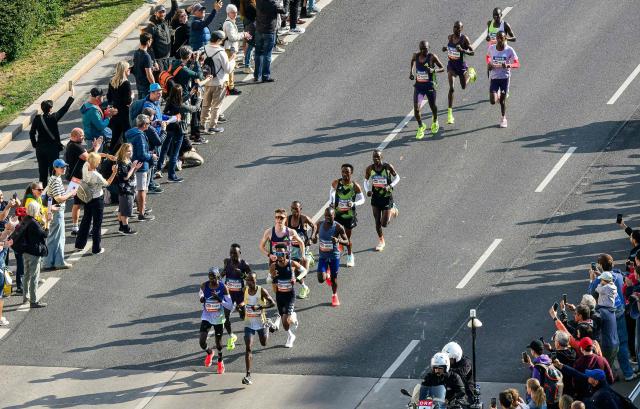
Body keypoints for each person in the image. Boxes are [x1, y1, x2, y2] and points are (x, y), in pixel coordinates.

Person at [64, 129, 112, 236]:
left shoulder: (72, 145)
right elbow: (89, 159)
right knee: (87, 203)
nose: (83, 137)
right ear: (75, 136)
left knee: (77, 203)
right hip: (80, 180)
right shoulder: (76, 146)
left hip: (74, 179)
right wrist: (97, 148)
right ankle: (85, 228)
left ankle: (75, 227)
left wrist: (93, 148)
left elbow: (85, 154)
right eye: (81, 135)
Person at [30, 87, 75, 186]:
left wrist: (35, 144)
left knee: (42, 173)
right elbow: (64, 108)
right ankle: (53, 193)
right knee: (53, 172)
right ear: (50, 108)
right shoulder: (53, 117)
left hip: (40, 149)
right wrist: (72, 95)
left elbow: (31, 133)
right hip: (52, 149)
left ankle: (42, 194)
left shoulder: (37, 119)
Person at [74, 153, 117, 254]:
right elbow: (107, 183)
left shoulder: (85, 166)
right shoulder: (96, 175)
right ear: (96, 164)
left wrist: (106, 155)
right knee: (97, 224)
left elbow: (94, 154)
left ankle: (80, 245)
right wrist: (114, 172)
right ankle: (96, 248)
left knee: (86, 220)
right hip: (97, 199)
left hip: (87, 198)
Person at [269, 244, 306, 348]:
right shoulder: (273, 266)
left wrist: (297, 278)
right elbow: (269, 279)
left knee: (285, 319)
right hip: (279, 295)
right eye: (277, 253)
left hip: (290, 295)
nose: (279, 255)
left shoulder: (292, 264)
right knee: (285, 324)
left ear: (286, 253)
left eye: (281, 253)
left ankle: (292, 316)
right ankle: (290, 335)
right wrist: (272, 276)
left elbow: (304, 271)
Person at [242, 271, 275, 385]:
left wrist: (260, 306)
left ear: (256, 280)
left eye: (252, 280)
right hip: (249, 323)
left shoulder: (261, 291)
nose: (250, 282)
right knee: (248, 347)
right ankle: (248, 375)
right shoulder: (245, 290)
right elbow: (243, 302)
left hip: (261, 322)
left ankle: (268, 324)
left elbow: (272, 303)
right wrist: (240, 307)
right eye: (248, 280)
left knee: (264, 343)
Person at [43, 159, 76, 270]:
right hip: (57, 212)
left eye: (65, 167)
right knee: (58, 238)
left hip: (54, 211)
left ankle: (51, 262)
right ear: (55, 168)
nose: (64, 169)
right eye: (61, 167)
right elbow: (59, 198)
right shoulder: (56, 180)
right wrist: (71, 193)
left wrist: (66, 191)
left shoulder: (54, 178)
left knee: (54, 237)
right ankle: (57, 262)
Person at [199, 267, 233, 374]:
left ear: (218, 277)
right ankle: (209, 353)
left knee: (218, 343)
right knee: (202, 341)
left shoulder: (224, 288)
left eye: (213, 277)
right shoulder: (204, 285)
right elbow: (200, 293)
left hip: (219, 318)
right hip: (207, 316)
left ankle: (220, 361)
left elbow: (230, 305)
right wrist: (201, 298)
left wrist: (219, 299)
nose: (211, 280)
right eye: (209, 277)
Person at [364, 150, 399, 252]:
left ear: (381, 158)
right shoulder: (370, 168)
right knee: (377, 222)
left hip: (387, 197)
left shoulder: (387, 167)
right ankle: (381, 241)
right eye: (374, 157)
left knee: (384, 224)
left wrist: (390, 186)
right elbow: (365, 181)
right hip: (375, 198)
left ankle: (393, 210)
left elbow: (397, 177)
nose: (376, 159)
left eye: (378, 157)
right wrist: (367, 191)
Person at [312, 207, 348, 306]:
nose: (328, 218)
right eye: (326, 216)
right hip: (323, 256)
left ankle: (334, 295)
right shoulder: (319, 225)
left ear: (334, 216)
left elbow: (347, 242)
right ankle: (326, 274)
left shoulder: (338, 227)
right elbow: (314, 240)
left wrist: (338, 241)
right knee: (320, 279)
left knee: (334, 279)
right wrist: (314, 237)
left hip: (334, 256)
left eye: (330, 216)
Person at [330, 164, 364, 267]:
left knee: (347, 238)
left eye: (347, 172)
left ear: (351, 173)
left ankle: (350, 255)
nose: (344, 174)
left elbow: (362, 200)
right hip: (338, 214)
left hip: (349, 216)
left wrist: (354, 204)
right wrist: (331, 202)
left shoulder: (355, 186)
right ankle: (336, 252)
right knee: (335, 235)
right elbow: (331, 191)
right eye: (343, 171)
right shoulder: (336, 182)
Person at [201, 31, 235, 134]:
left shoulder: (204, 48)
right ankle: (212, 126)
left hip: (207, 81)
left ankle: (202, 124)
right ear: (219, 40)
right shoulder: (221, 52)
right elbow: (228, 69)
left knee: (205, 104)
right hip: (219, 82)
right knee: (216, 105)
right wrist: (232, 60)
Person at [443, 21, 476, 125]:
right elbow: (450, 48)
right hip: (451, 66)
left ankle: (470, 75)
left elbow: (472, 52)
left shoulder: (464, 39)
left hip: (461, 66)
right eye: (455, 27)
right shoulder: (450, 37)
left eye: (458, 28)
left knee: (463, 86)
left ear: (462, 29)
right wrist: (446, 48)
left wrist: (462, 50)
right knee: (451, 88)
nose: (456, 29)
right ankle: (449, 115)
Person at [126, 114, 158, 222]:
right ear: (144, 125)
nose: (149, 125)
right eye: (148, 123)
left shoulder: (130, 133)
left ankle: (137, 208)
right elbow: (142, 154)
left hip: (132, 164)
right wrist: (151, 155)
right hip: (141, 165)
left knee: (135, 189)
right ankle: (141, 213)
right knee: (142, 190)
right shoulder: (140, 136)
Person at [410, 40, 444, 138]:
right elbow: (412, 62)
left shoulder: (432, 57)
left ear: (429, 48)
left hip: (430, 87)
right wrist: (411, 72)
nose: (423, 51)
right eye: (422, 49)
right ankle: (421, 126)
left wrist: (433, 70)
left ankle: (435, 121)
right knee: (416, 109)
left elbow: (442, 68)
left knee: (432, 106)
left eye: (425, 49)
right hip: (419, 87)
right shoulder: (415, 56)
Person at [21, 201, 52, 308]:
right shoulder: (34, 223)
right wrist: (47, 223)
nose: (40, 211)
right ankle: (33, 301)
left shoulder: (25, 220)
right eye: (39, 209)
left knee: (26, 275)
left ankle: (26, 297)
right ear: (35, 210)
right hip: (34, 253)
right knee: (34, 276)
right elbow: (45, 234)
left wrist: (42, 221)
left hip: (25, 252)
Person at [221, 243, 251, 351]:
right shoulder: (227, 261)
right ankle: (231, 336)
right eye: (231, 253)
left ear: (240, 253)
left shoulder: (244, 264)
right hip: (228, 294)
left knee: (243, 316)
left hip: (240, 295)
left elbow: (251, 279)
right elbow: (222, 274)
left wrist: (242, 275)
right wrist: (221, 274)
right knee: (225, 317)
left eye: (235, 253)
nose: (233, 255)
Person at [259, 208, 306, 275]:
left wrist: (303, 255)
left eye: (281, 218)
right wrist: (269, 255)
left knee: (290, 279)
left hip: (287, 260)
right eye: (277, 217)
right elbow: (261, 246)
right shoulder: (269, 232)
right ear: (275, 218)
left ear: (285, 219)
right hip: (274, 261)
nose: (279, 220)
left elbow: (301, 243)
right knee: (272, 281)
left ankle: (301, 283)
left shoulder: (291, 232)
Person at [487, 31, 520, 128]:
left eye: (501, 38)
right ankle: (497, 95)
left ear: (505, 39)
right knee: (492, 101)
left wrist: (508, 65)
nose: (499, 40)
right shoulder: (492, 48)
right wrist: (489, 64)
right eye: (498, 38)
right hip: (494, 77)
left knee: (502, 101)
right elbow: (488, 56)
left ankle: (503, 118)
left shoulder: (509, 50)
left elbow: (517, 63)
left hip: (504, 78)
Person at [552, 364, 623, 409]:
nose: (587, 376)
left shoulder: (603, 394)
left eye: (590, 376)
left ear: (595, 381)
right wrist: (561, 365)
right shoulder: (594, 382)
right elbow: (576, 374)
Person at [160, 84, 191, 183]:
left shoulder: (169, 101)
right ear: (179, 94)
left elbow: (180, 101)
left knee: (164, 150)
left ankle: (157, 169)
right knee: (175, 154)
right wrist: (198, 99)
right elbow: (193, 108)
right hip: (178, 130)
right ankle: (171, 175)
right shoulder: (180, 106)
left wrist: (190, 94)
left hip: (168, 129)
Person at [287, 200, 315, 298]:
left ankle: (309, 257)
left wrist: (311, 238)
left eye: (296, 209)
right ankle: (304, 287)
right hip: (293, 250)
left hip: (303, 249)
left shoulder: (304, 218)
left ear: (300, 209)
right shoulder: (288, 219)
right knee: (295, 272)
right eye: (292, 208)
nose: (294, 210)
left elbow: (314, 226)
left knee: (303, 274)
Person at [254, 0, 286, 82]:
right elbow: (283, 10)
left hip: (259, 30)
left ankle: (257, 75)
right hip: (269, 31)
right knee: (267, 54)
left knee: (258, 53)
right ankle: (265, 76)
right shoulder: (273, 3)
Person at [107, 61, 133, 154]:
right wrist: (132, 96)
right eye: (128, 68)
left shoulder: (112, 81)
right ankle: (125, 155)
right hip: (124, 113)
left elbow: (109, 98)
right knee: (127, 136)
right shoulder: (126, 84)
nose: (130, 70)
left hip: (115, 112)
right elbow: (128, 101)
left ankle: (111, 156)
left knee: (115, 137)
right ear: (125, 70)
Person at [115, 143, 141, 235]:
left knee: (121, 209)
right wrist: (133, 167)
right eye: (128, 151)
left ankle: (121, 227)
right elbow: (125, 177)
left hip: (129, 188)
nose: (131, 153)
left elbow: (130, 175)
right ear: (123, 151)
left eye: (131, 150)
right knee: (125, 211)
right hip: (126, 190)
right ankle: (126, 228)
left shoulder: (127, 160)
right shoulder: (121, 162)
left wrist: (135, 169)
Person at [223, 4, 249, 95]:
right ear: (228, 13)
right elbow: (233, 38)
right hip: (229, 49)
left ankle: (229, 87)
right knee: (230, 69)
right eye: (232, 12)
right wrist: (243, 34)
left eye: (236, 12)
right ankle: (230, 88)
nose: (235, 14)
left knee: (231, 68)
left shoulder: (230, 22)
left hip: (231, 49)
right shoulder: (229, 24)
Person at [145, 2, 178, 71]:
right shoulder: (151, 27)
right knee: (162, 79)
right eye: (160, 12)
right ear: (155, 13)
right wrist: (154, 62)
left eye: (164, 12)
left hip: (167, 58)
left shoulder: (164, 22)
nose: (162, 14)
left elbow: (175, 10)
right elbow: (149, 46)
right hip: (159, 60)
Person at [133, 32, 157, 99]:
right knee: (146, 105)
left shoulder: (136, 53)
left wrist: (151, 67)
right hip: (145, 86)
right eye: (151, 40)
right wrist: (154, 86)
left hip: (138, 83)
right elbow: (149, 74)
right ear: (148, 42)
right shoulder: (147, 56)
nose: (151, 41)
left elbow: (139, 66)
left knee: (140, 103)